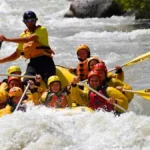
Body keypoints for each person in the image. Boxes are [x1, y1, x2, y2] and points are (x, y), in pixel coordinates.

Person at [0, 10, 56, 85]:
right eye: (28, 20)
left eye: (32, 20)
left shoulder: (42, 29)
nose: (30, 22)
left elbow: (28, 39)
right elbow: (16, 54)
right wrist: (1, 61)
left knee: (51, 82)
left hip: (46, 62)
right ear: (24, 22)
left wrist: (7, 39)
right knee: (26, 82)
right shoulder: (23, 35)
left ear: (36, 20)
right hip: (33, 63)